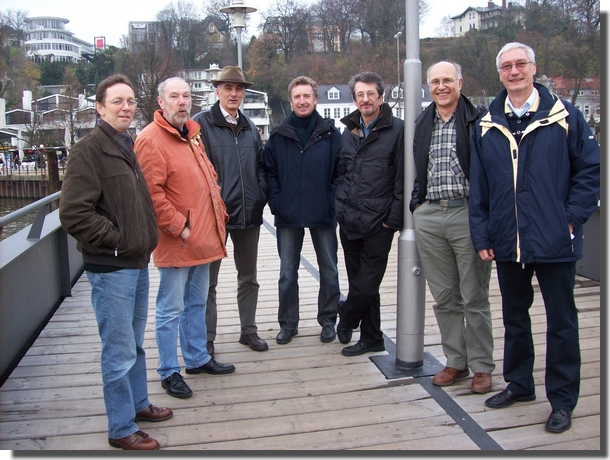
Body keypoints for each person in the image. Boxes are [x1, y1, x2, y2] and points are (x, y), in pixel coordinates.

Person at [469, 42, 600, 433]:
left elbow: (590, 171)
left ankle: (562, 401)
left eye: (520, 64)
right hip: (508, 239)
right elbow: (480, 186)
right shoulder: (487, 124)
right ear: (500, 73)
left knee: (561, 323)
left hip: (554, 238)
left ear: (533, 67)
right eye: (507, 66)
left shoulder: (565, 116)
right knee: (514, 317)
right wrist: (482, 233)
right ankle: (520, 384)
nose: (514, 71)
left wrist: (570, 219)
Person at [59, 74, 171, 450]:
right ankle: (121, 427)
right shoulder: (88, 150)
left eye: (131, 101)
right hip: (112, 267)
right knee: (118, 349)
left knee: (134, 344)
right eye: (118, 101)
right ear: (100, 108)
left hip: (135, 262)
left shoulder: (125, 144)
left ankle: (138, 405)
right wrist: (118, 241)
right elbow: (74, 213)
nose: (126, 107)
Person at [134, 77, 236, 400]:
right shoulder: (150, 140)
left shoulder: (191, 133)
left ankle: (196, 358)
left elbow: (209, 178)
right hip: (177, 240)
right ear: (161, 102)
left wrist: (218, 215)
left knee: (196, 302)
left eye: (186, 96)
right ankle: (168, 370)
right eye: (174, 96)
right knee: (170, 308)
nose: (182, 102)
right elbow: (151, 195)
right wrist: (181, 227)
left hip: (202, 237)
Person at [410, 61, 495, 394]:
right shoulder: (422, 122)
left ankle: (482, 365)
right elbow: (417, 168)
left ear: (460, 82)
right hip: (430, 215)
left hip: (466, 213)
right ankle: (456, 360)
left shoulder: (479, 120)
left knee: (474, 295)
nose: (441, 86)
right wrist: (417, 206)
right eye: (435, 82)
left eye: (447, 80)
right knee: (444, 296)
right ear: (428, 86)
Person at [192, 66, 268, 356]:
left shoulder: (249, 127)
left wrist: (259, 194)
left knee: (248, 277)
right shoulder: (200, 124)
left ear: (244, 93)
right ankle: (207, 338)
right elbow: (195, 169)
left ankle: (248, 330)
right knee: (207, 282)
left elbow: (260, 166)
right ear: (217, 91)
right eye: (228, 88)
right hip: (214, 216)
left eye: (239, 89)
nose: (234, 93)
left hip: (249, 215)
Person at [263, 76, 341, 345]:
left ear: (315, 99)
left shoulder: (331, 134)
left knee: (329, 269)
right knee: (287, 273)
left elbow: (340, 171)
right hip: (288, 213)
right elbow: (269, 172)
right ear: (290, 100)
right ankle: (288, 323)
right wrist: (277, 202)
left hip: (323, 211)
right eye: (297, 96)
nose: (302, 101)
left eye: (307, 96)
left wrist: (331, 200)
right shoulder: (278, 135)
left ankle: (328, 321)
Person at [335, 71, 404, 356]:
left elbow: (402, 180)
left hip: (379, 222)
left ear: (381, 97)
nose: (365, 99)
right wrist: (340, 207)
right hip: (349, 219)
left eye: (371, 94)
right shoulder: (348, 131)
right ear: (354, 99)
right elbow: (341, 172)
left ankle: (347, 316)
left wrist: (392, 221)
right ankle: (372, 338)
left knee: (366, 283)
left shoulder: (398, 130)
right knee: (360, 282)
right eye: (360, 95)